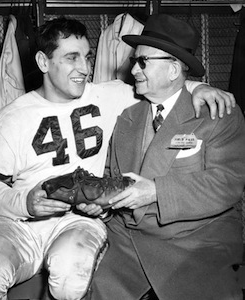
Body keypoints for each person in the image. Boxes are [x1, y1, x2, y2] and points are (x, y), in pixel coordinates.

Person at [0, 16, 236, 300]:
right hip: (20, 222)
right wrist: (26, 202)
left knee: (70, 277)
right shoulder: (10, 117)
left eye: (87, 57)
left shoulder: (111, 96)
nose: (85, 68)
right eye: (71, 58)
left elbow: (168, 87)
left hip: (78, 222)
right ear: (42, 62)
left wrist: (199, 87)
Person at [85, 14, 245, 300]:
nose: (133, 69)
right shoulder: (127, 117)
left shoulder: (218, 115)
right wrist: (102, 205)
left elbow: (226, 183)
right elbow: (112, 176)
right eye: (134, 60)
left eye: (143, 61)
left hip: (195, 241)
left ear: (173, 70)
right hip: (130, 240)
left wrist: (156, 191)